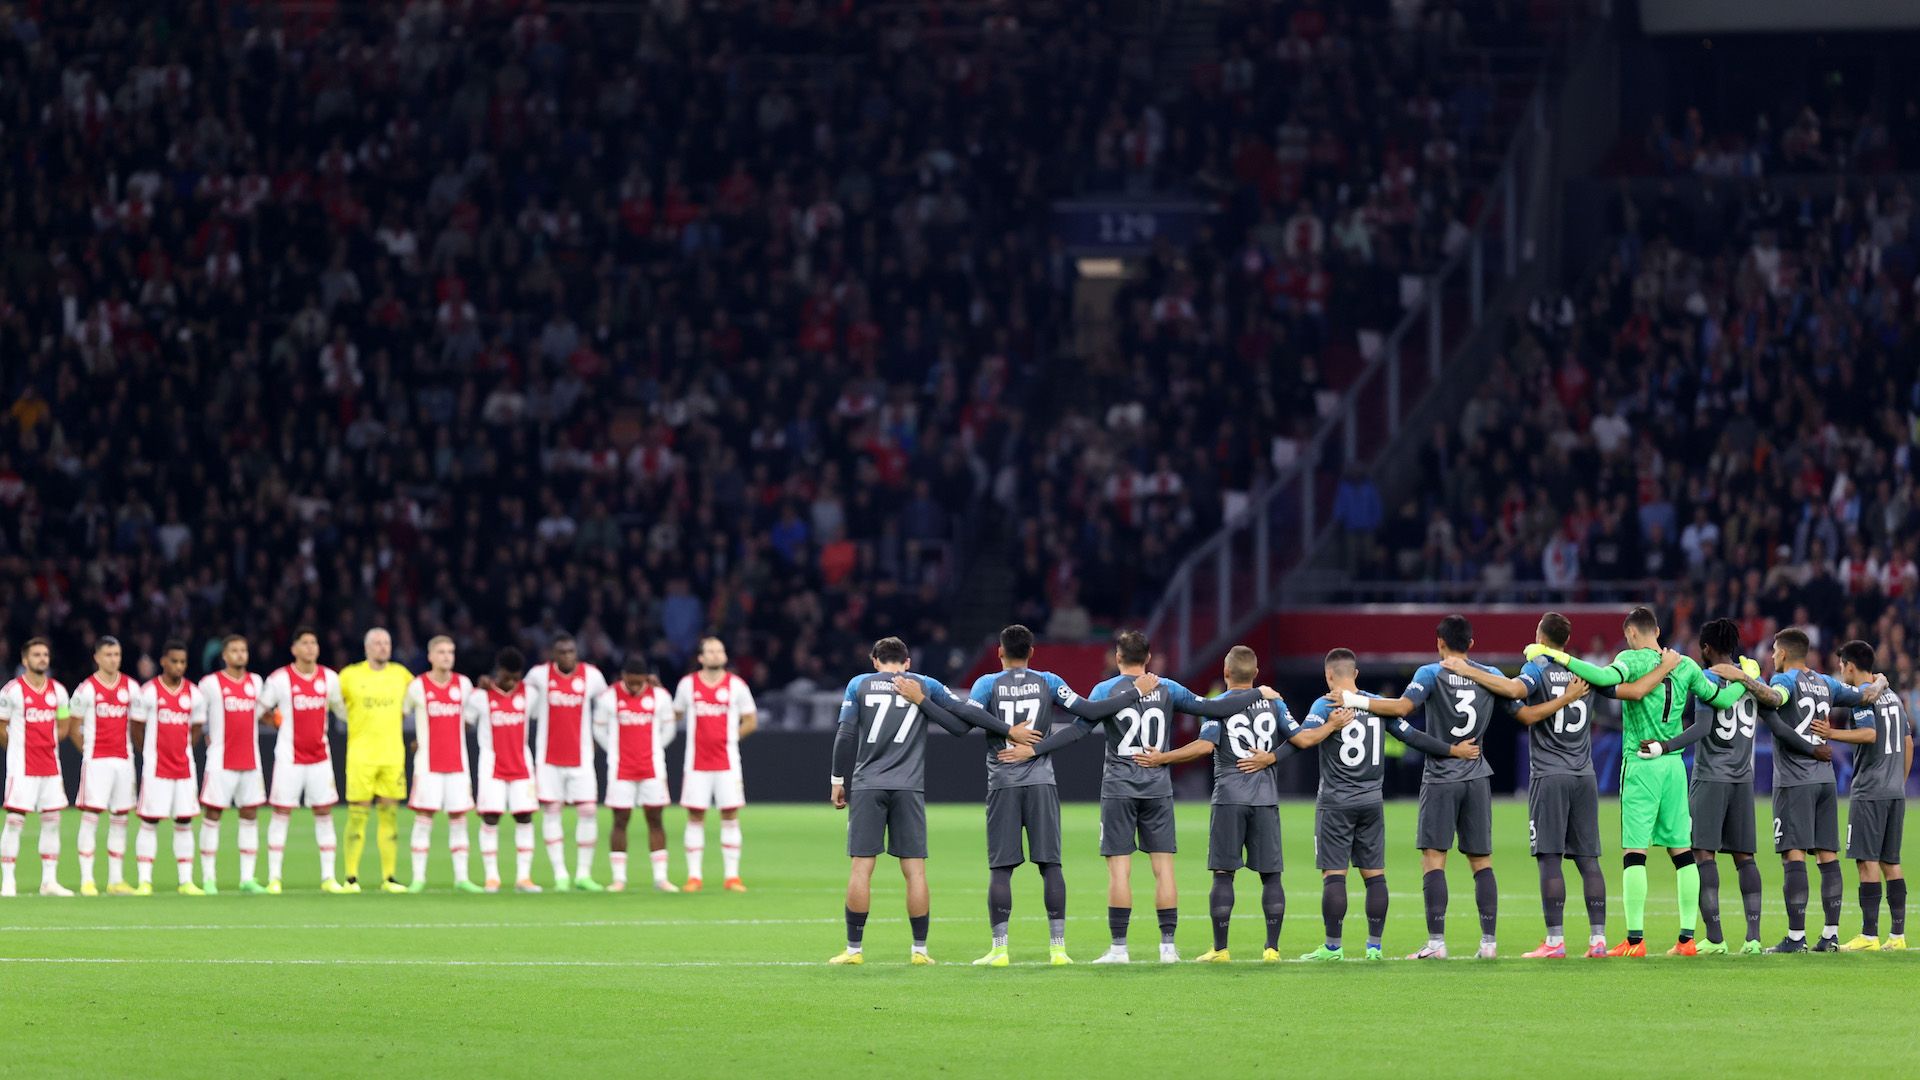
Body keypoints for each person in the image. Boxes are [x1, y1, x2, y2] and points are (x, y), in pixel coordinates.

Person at [914, 624, 1151, 967]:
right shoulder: (1049, 681)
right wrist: (1133, 693)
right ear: (1032, 652)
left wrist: (1001, 729)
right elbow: (1089, 712)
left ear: (999, 652)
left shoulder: (986, 684)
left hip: (1003, 785)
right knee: (1051, 865)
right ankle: (1058, 949)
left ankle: (999, 949)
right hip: (1042, 783)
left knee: (1001, 869)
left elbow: (964, 719)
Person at [1528, 605, 1750, 956]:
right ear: (1657, 630)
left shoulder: (1631, 660)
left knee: (1635, 853)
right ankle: (1687, 939)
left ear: (1632, 634)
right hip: (1675, 766)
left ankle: (1635, 940)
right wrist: (1744, 673)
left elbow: (1601, 679)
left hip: (1642, 762)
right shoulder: (1686, 665)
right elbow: (1722, 699)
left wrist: (1556, 656)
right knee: (1682, 853)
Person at [827, 636, 1033, 965]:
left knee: (861, 868)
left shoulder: (859, 684)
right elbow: (960, 723)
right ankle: (920, 950)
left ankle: (853, 950)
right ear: (907, 662)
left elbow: (845, 734)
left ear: (875, 661)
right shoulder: (924, 684)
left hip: (867, 786)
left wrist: (838, 779)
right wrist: (1007, 729)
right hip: (909, 788)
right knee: (915, 871)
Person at [1069, 630, 1266, 964]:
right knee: (1165, 869)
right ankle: (1168, 948)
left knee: (1119, 871)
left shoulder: (1104, 690)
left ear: (1117, 658)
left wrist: (1036, 749)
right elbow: (1211, 707)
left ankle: (1119, 949)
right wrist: (1257, 694)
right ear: (1148, 658)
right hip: (1158, 788)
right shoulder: (1169, 688)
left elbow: (1081, 724)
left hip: (1119, 787)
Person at [1138, 645, 1340, 962]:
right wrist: (1329, 726)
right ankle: (1272, 949)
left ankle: (1220, 949)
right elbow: (1301, 740)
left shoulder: (1218, 704)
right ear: (1256, 673)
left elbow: (1205, 746)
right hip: (1265, 798)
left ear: (1226, 672)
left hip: (1229, 796)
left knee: (1222, 874)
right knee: (1271, 876)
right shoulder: (1274, 702)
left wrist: (1163, 758)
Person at [1350, 615, 1513, 959]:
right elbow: (1519, 701)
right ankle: (1489, 943)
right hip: (1478, 773)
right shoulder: (1492, 675)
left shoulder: (1430, 673)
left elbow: (1401, 708)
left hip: (1441, 776)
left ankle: (1437, 943)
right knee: (1482, 861)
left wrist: (1356, 699)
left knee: (1434, 859)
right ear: (1471, 643)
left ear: (1439, 641)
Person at [1301, 648, 1478, 961]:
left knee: (1334, 875)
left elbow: (1304, 738)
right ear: (1355, 674)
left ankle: (1332, 947)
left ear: (1329, 675)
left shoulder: (1325, 703)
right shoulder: (1378, 706)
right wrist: (1452, 750)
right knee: (1375, 876)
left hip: (1336, 801)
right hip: (1372, 801)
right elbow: (1413, 737)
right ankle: (1374, 947)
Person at [1718, 627, 1885, 952]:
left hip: (1795, 780)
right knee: (1827, 855)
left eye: (1775, 651)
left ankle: (1796, 938)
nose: (1772, 656)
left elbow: (1772, 699)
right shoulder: (1826, 682)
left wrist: (1743, 679)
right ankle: (1830, 935)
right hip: (1825, 779)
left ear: (1783, 653)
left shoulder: (1784, 681)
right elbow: (1867, 695)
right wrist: (1881, 681)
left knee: (1793, 854)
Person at [1456, 612, 1610, 958]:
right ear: (1566, 641)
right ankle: (1598, 940)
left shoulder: (1537, 668)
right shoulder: (1583, 670)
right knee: (1589, 859)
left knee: (1550, 857)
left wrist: (1473, 671)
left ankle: (1554, 941)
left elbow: (1516, 694)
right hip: (1584, 774)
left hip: (1550, 774)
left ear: (1540, 635)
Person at [1652, 619, 1774, 955]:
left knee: (1703, 854)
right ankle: (1753, 938)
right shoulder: (1750, 679)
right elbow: (1773, 711)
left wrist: (1668, 744)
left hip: (1710, 778)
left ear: (1706, 649)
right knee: (1745, 858)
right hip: (1743, 778)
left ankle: (1716, 938)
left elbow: (1703, 727)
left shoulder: (1707, 678)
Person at [1817, 639, 1911, 951]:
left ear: (1851, 667)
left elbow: (1869, 734)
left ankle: (1869, 935)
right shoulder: (1893, 697)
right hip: (1895, 791)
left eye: (1842, 665)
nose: (1840, 670)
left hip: (1870, 791)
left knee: (1866, 861)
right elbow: (1908, 742)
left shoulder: (1863, 698)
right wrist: (1899, 779)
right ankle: (1897, 937)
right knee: (1890, 862)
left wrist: (1831, 734)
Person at [254, 628, 347, 893]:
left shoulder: (330, 678)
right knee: (281, 813)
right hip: (289, 759)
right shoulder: (280, 679)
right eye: (304, 643)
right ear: (294, 649)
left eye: (314, 642)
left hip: (320, 758)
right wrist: (273, 721)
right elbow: (259, 711)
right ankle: (274, 878)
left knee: (324, 813)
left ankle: (328, 877)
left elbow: (342, 711)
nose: (310, 647)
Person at [521, 635, 608, 891]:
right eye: (562, 652)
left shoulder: (592, 676)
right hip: (548, 759)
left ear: (577, 652)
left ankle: (583, 874)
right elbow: (521, 696)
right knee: (552, 812)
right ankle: (560, 874)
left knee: (589, 811)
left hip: (581, 757)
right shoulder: (538, 675)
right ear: (553, 654)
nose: (568, 656)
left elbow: (607, 703)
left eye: (571, 651)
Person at [672, 637, 757, 892]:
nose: (715, 654)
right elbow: (675, 715)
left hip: (727, 763)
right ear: (700, 657)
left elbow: (750, 721)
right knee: (695, 816)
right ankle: (694, 876)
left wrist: (730, 738)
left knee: (730, 815)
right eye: (710, 651)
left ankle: (732, 876)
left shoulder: (737, 686)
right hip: (696, 764)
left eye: (719, 650)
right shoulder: (687, 685)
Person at [338, 627, 415, 893]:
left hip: (392, 755)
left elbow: (417, 703)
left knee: (389, 816)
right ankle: (350, 877)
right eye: (377, 643)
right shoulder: (349, 675)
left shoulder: (402, 675)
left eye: (387, 643)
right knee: (358, 815)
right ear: (367, 647)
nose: (383, 647)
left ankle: (389, 877)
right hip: (361, 755)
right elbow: (334, 704)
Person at [592, 656, 677, 893]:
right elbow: (598, 728)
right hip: (621, 770)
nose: (635, 687)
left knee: (655, 819)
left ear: (646, 680)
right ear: (623, 677)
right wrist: (615, 750)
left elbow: (669, 728)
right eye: (631, 683)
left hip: (652, 768)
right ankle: (619, 878)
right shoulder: (609, 698)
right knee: (620, 820)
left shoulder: (660, 697)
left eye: (640, 683)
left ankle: (661, 877)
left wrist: (654, 747)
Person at [403, 635, 480, 893]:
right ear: (430, 656)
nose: (447, 656)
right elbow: (401, 714)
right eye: (442, 652)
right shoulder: (417, 686)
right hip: (427, 766)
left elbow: (471, 718)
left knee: (459, 819)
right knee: (424, 818)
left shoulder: (464, 685)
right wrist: (414, 741)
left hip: (458, 766)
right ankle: (418, 878)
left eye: (450, 651)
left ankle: (462, 878)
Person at [193, 633, 267, 894]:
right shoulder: (210, 684)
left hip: (250, 760)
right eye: (234, 651)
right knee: (213, 815)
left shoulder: (256, 683)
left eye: (243, 650)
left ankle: (247, 878)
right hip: (220, 762)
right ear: (224, 655)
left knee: (249, 816)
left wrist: (275, 719)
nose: (239, 655)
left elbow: (263, 714)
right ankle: (209, 878)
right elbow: (197, 718)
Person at [130, 642, 206, 895]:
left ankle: (185, 881)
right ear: (163, 661)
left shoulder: (194, 694)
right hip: (156, 769)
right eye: (174, 661)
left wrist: (181, 749)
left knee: (184, 821)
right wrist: (150, 755)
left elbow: (195, 729)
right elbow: (137, 729)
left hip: (184, 769)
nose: (179, 666)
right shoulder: (148, 692)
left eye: (183, 662)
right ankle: (144, 881)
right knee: (150, 822)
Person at [0, 638, 73, 897]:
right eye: (37, 654)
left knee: (52, 822)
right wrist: (19, 748)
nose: (42, 658)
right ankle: (8, 882)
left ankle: (49, 881)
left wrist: (48, 742)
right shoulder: (11, 692)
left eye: (45, 654)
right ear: (25, 660)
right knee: (15, 822)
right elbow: (1, 727)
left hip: (51, 767)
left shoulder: (59, 691)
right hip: (22, 768)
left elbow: (64, 725)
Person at [68, 637, 138, 895]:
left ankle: (116, 879)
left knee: (120, 818)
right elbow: (73, 728)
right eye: (108, 654)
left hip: (124, 761)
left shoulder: (131, 687)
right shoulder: (86, 689)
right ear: (97, 657)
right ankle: (87, 879)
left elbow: (139, 723)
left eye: (117, 654)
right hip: (97, 761)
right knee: (91, 818)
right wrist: (89, 752)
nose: (113, 659)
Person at [466, 648, 540, 893]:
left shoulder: (529, 694)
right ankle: (492, 877)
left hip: (522, 765)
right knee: (491, 818)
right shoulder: (480, 697)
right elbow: (464, 723)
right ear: (498, 672)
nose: (512, 682)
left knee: (524, 817)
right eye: (508, 677)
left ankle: (523, 877)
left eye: (516, 677)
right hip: (492, 767)